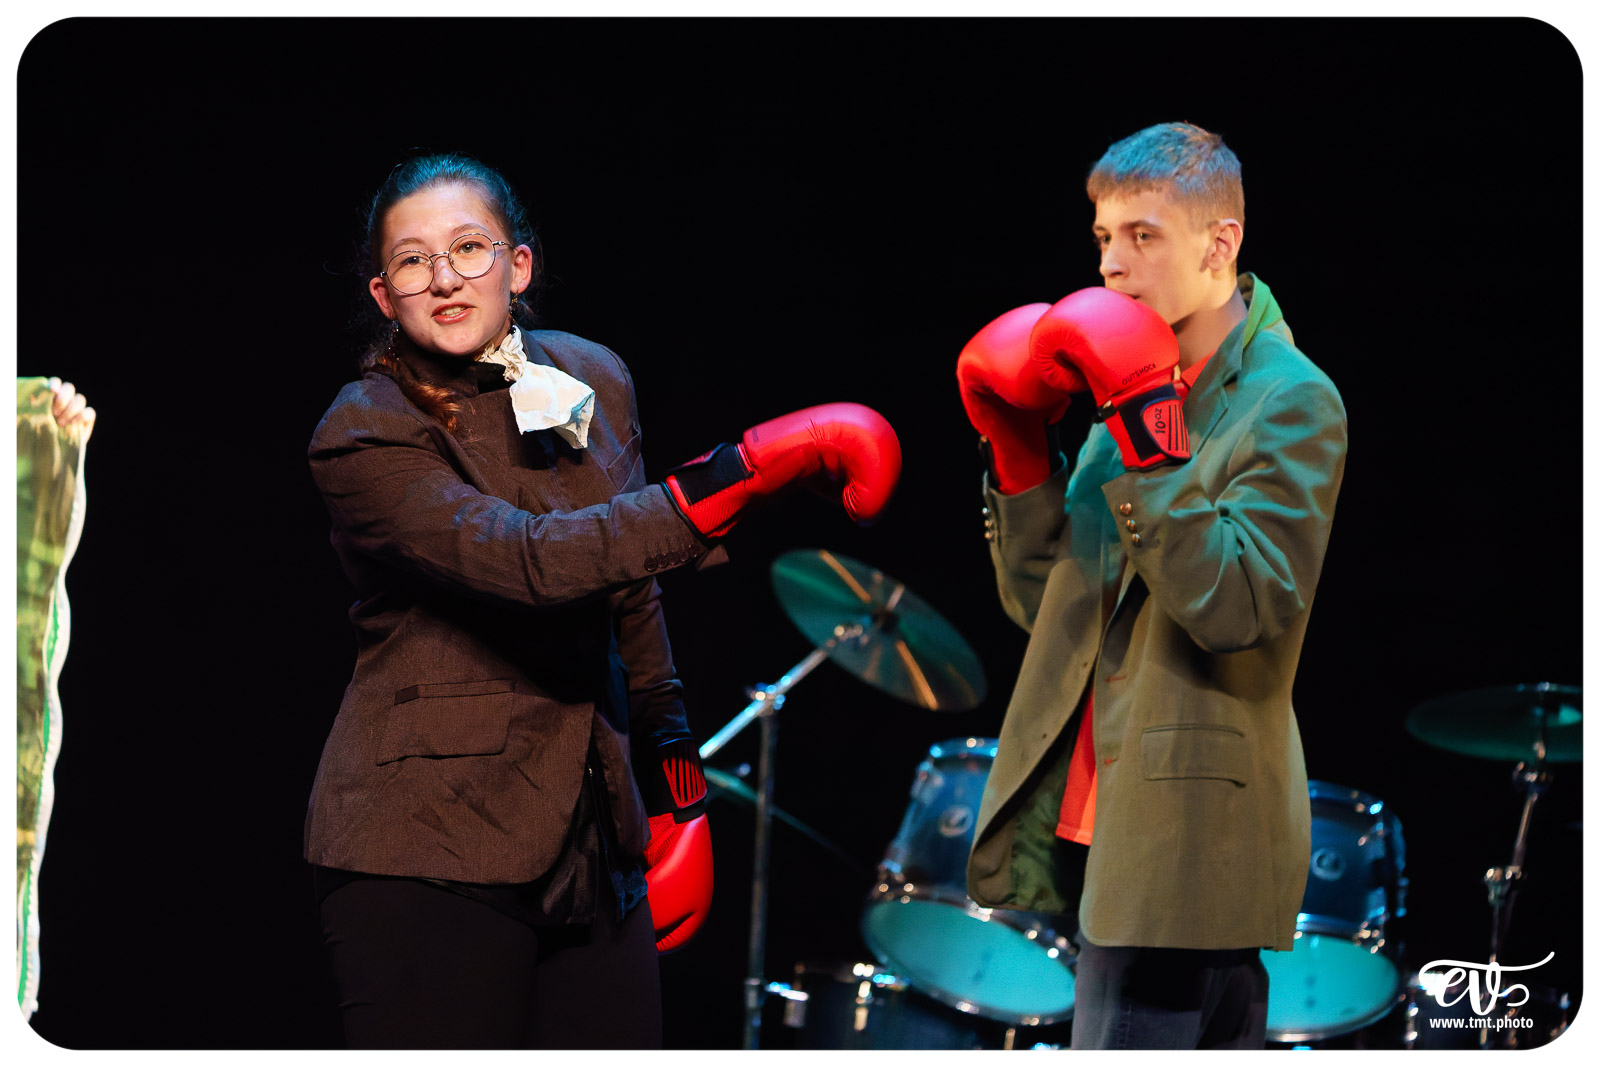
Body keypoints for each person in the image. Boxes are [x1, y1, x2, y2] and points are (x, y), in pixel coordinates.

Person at [304, 153, 900, 1049]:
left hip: (591, 848)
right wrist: (731, 477)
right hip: (425, 846)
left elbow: (633, 600)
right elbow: (527, 562)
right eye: (414, 261)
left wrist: (678, 791)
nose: (445, 278)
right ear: (385, 294)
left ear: (519, 265)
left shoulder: (591, 377)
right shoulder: (362, 429)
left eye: (469, 248)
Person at [955, 122, 1347, 1049]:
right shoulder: (1132, 383)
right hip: (1105, 830)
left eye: (1143, 236)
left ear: (1220, 244)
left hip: (1191, 845)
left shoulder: (1291, 399)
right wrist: (1018, 460)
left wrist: (1146, 428)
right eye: (1102, 239)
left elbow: (1240, 607)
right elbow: (1044, 608)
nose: (1111, 268)